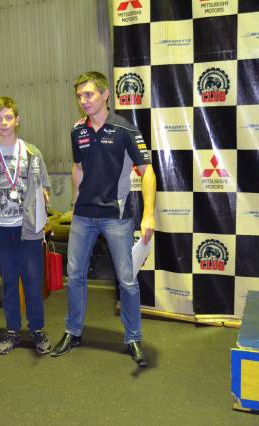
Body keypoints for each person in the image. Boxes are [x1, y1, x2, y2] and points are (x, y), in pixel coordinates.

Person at [50, 72, 156, 367]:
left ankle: (133, 338)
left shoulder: (124, 129)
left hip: (116, 217)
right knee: (75, 277)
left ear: (105, 94)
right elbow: (78, 168)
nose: (83, 101)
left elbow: (147, 172)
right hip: (83, 216)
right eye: (79, 96)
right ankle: (73, 331)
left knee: (127, 280)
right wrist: (74, 203)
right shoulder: (77, 131)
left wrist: (148, 214)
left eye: (89, 94)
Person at [0, 96, 52, 355]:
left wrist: (44, 195)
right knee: (8, 283)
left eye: (8, 117)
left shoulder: (32, 152)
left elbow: (45, 184)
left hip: (29, 229)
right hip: (1, 229)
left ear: (17, 120)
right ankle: (13, 330)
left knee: (33, 281)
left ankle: (37, 329)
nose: (3, 122)